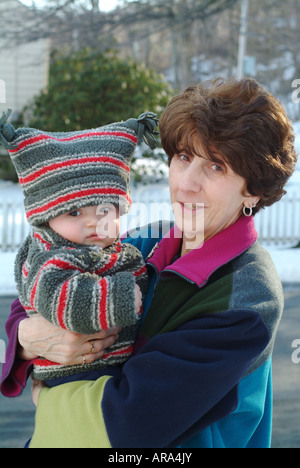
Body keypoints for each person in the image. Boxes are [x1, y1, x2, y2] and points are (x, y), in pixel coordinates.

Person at [0, 77, 297, 448]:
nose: (186, 183)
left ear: (253, 188)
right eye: (184, 157)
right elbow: (36, 291)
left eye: (216, 166)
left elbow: (130, 423)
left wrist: (47, 399)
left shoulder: (248, 294)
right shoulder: (146, 240)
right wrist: (28, 340)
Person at [0, 112, 158, 384]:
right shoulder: (53, 258)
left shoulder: (113, 249)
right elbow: (61, 298)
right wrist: (117, 298)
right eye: (73, 212)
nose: (93, 222)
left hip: (109, 370)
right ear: (46, 217)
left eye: (105, 209)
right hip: (77, 375)